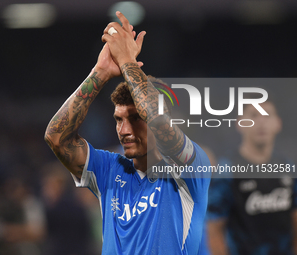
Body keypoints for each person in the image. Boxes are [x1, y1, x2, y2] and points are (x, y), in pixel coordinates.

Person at [44, 11, 211, 254]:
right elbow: (56, 137)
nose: (124, 131)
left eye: (135, 119)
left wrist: (127, 62)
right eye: (118, 120)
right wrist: (100, 72)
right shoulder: (109, 170)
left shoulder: (191, 169)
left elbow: (159, 122)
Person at [206, 98, 297, 255]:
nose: (261, 123)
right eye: (254, 115)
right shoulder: (227, 170)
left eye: (267, 115)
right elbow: (214, 228)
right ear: (240, 123)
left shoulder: (288, 167)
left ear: (278, 123)